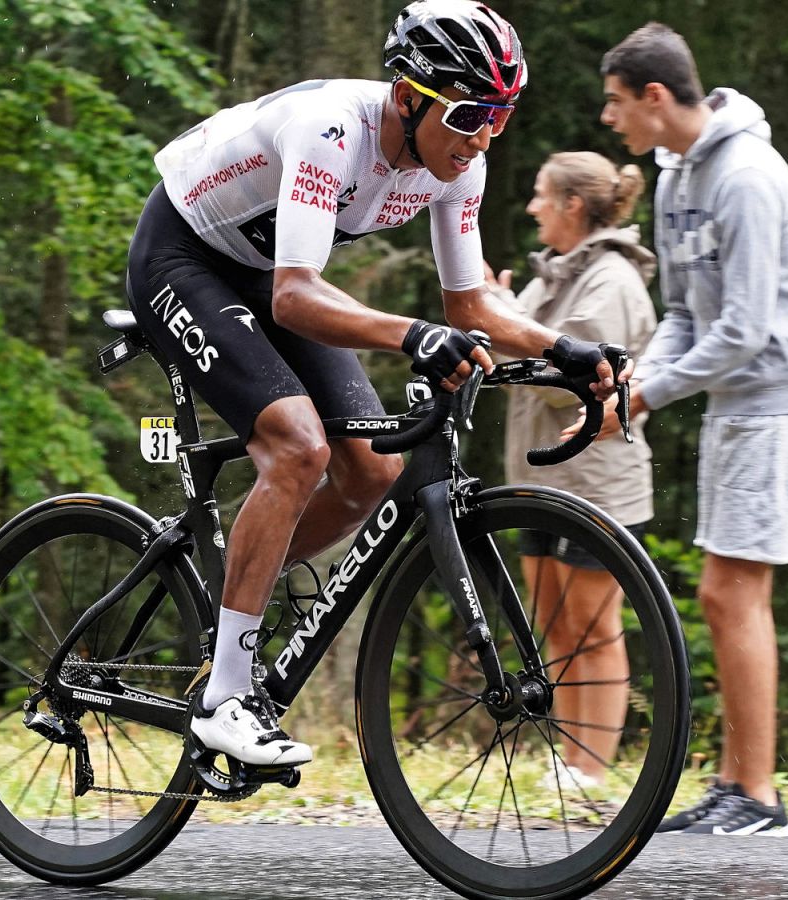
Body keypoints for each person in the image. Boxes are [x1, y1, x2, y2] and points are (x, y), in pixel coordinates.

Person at [126, 0, 619, 771]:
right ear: (407, 96)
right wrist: (412, 334)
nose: (483, 135)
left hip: (262, 276)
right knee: (296, 448)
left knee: (370, 473)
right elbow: (295, 296)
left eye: (500, 115)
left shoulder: (459, 161)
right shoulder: (332, 129)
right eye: (468, 114)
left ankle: (230, 597)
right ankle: (224, 696)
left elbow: (471, 304)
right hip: (182, 257)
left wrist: (564, 347)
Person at [587, 23, 788, 835]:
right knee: (724, 594)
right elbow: (689, 316)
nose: (608, 118)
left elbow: (748, 329)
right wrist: (636, 377)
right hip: (736, 402)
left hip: (781, 398)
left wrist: (650, 396)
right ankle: (736, 785)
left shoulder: (748, 177)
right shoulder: (674, 178)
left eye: (617, 102)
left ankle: (759, 797)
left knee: (734, 593)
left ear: (655, 97)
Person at [485, 152, 657, 789]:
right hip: (544, 479)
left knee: (591, 623)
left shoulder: (610, 280)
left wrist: (509, 325)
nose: (531, 207)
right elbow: (517, 334)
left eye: (540, 195)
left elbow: (573, 385)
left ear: (572, 206)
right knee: (553, 618)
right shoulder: (557, 274)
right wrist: (499, 304)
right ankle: (572, 755)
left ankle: (591, 767)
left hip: (595, 483)